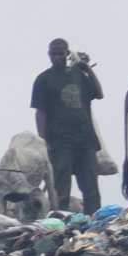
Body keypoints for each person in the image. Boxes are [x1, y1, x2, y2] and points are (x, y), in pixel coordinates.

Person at [32, 38, 103, 215]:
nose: (57, 57)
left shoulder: (79, 75)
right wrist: (43, 142)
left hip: (86, 138)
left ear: (67, 53)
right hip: (60, 140)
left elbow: (99, 93)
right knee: (61, 188)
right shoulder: (43, 80)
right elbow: (40, 112)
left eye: (61, 53)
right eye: (53, 54)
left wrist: (85, 68)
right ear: (49, 55)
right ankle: (61, 223)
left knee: (91, 188)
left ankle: (94, 222)